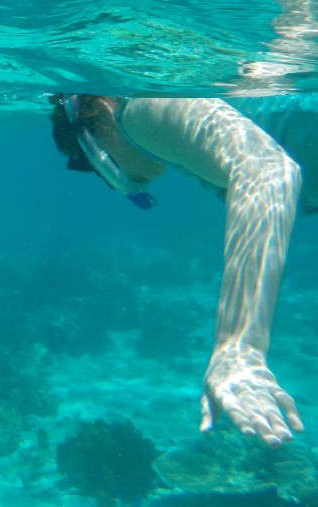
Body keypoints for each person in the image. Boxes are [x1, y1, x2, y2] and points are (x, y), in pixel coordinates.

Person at [49, 94, 318, 447]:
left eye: (98, 166)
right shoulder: (183, 149)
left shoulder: (137, 113)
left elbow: (269, 169)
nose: (130, 182)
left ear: (96, 123)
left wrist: (239, 349)